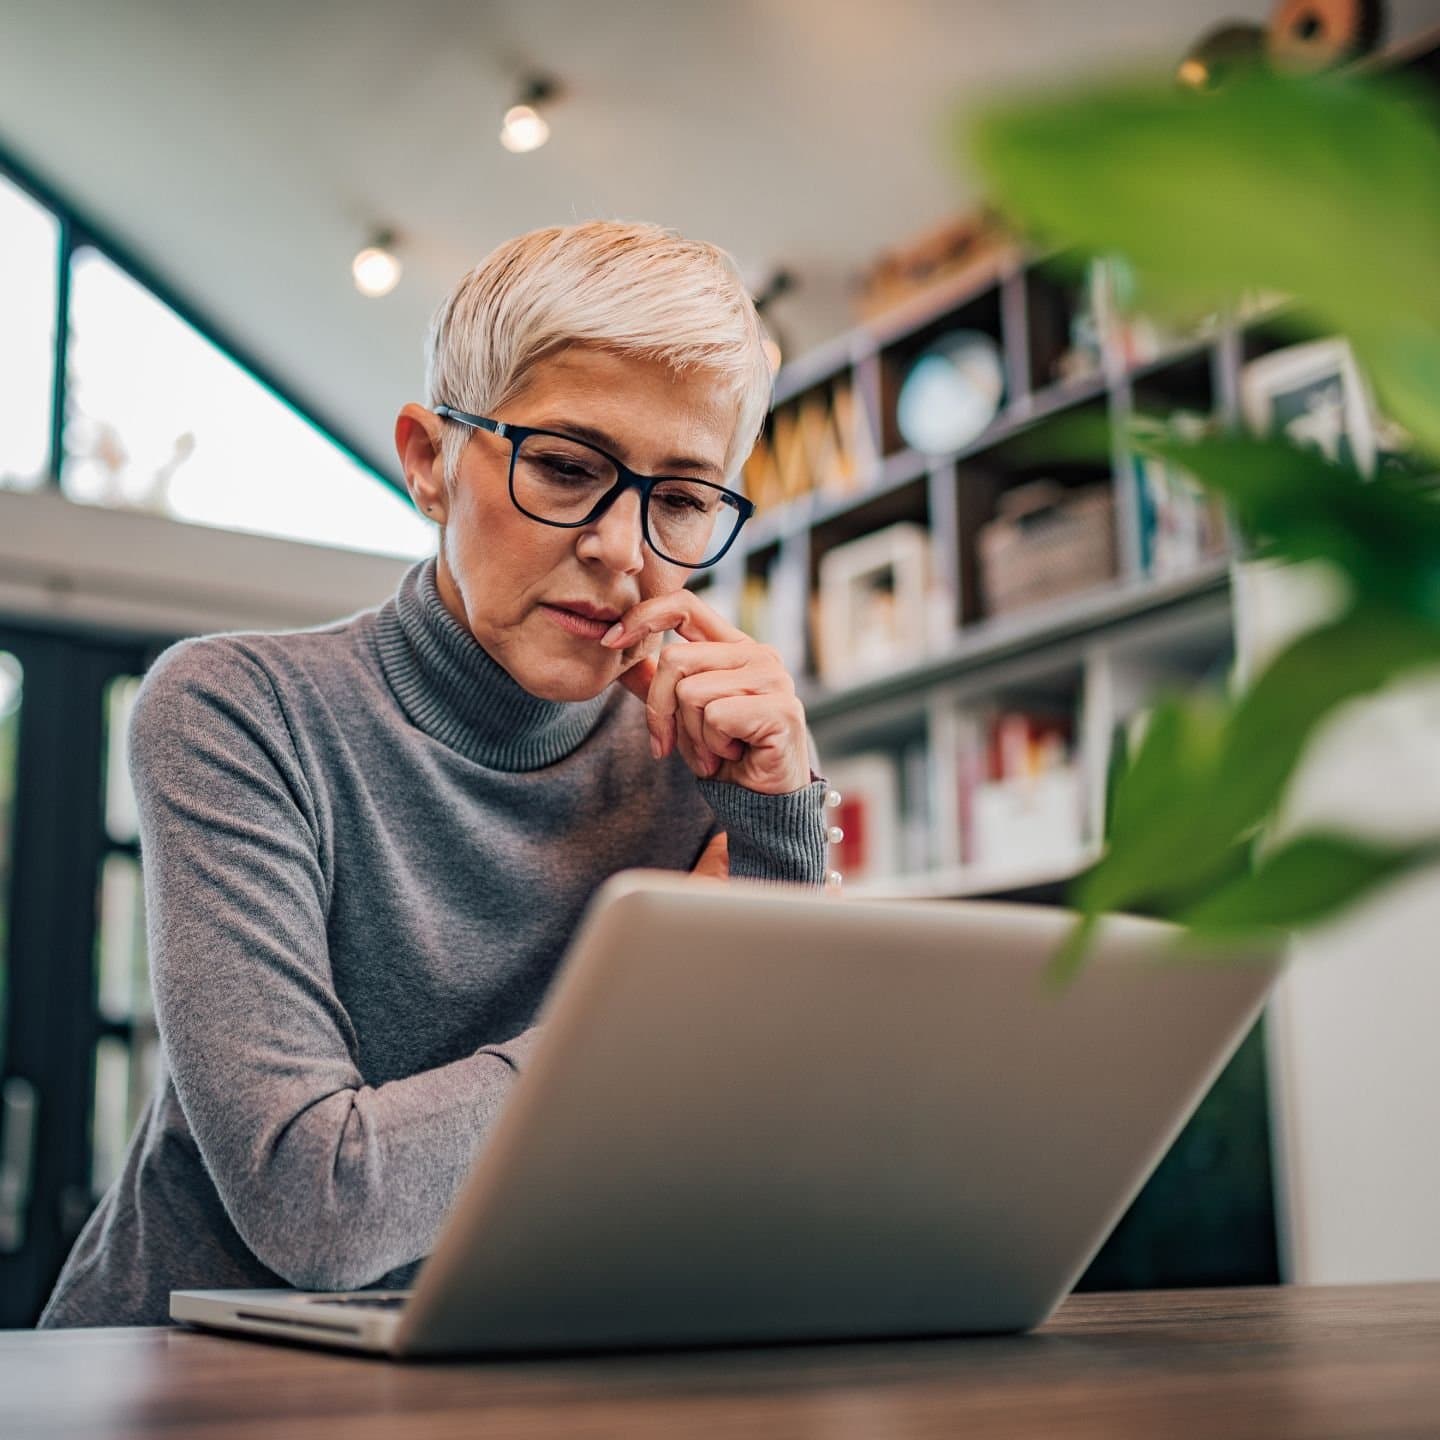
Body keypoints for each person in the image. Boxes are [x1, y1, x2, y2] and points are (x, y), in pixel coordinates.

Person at [37, 221, 833, 1328]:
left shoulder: (705, 761)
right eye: (566, 467)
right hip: (179, 1374)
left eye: (684, 500)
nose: (622, 548)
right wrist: (650, 1020)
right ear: (428, 461)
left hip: (508, 1365)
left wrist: (784, 833)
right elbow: (318, 1206)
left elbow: (765, 1183)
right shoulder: (238, 709)